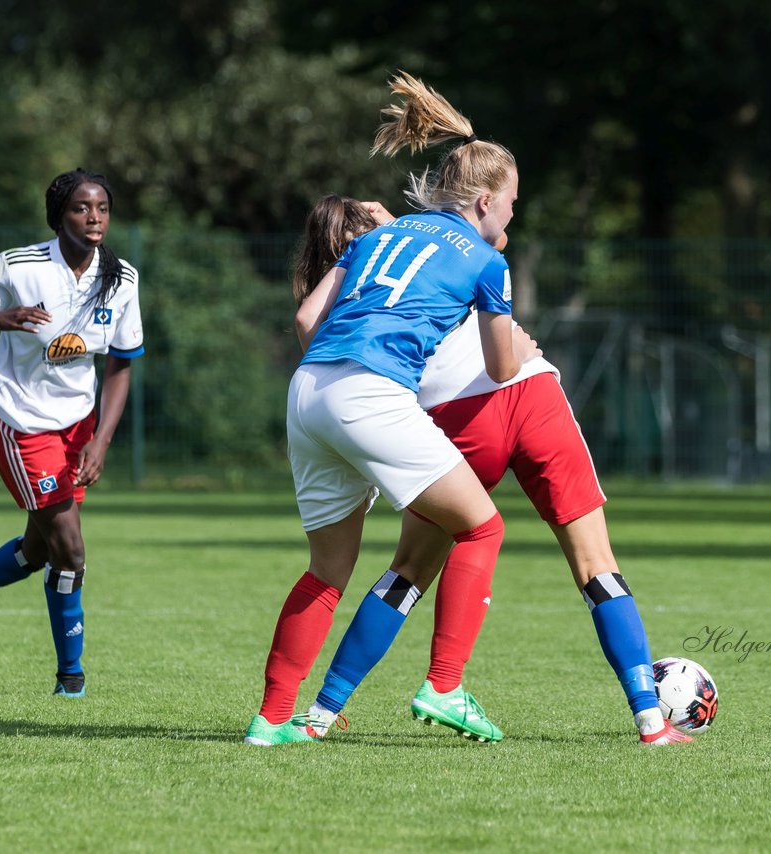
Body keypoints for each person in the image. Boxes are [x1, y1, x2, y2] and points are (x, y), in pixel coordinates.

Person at [292, 197, 691, 746]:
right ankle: (651, 720)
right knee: (596, 562)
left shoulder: (350, 300)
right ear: (371, 233)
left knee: (407, 570)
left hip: (453, 417)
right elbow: (493, 240)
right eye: (375, 211)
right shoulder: (433, 246)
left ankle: (319, 713)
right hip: (527, 394)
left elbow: (314, 326)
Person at [244, 73, 526, 746]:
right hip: (369, 394)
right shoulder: (486, 260)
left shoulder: (375, 238)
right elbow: (502, 370)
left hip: (310, 388)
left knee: (326, 571)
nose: (513, 217)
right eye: (512, 205)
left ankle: (272, 721)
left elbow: (309, 315)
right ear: (485, 201)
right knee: (482, 529)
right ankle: (446, 684)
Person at [0, 167, 145, 698]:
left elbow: (120, 363)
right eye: (81, 208)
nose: (94, 218)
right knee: (70, 549)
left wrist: (101, 439)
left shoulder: (122, 277)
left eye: (102, 209)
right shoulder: (15, 266)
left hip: (78, 426)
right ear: (58, 215)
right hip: (19, 420)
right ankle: (71, 678)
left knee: (40, 549)